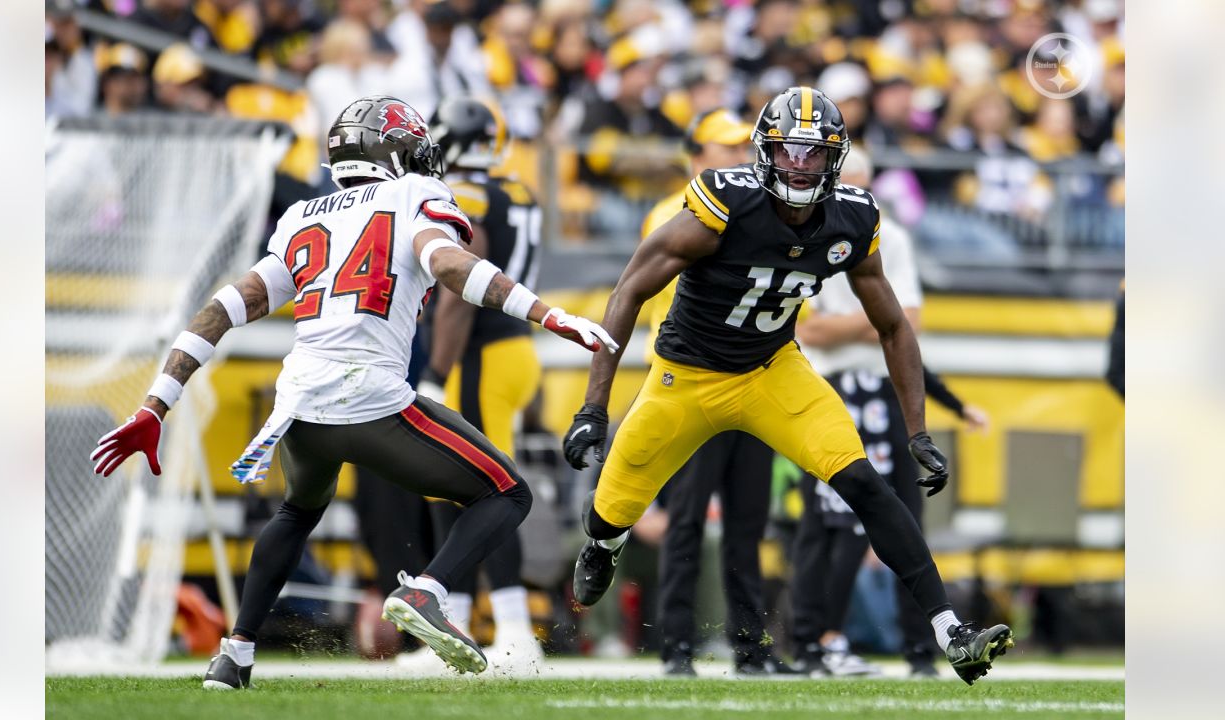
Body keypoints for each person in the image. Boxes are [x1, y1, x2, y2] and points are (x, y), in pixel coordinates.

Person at [89, 95, 617, 688]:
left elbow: (227, 306)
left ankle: (234, 654)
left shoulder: (304, 215)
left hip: (299, 407)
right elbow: (448, 264)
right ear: (389, 154)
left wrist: (155, 403)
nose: (424, 161)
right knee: (507, 494)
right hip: (370, 398)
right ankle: (428, 594)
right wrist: (548, 315)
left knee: (297, 510)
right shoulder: (413, 196)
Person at [560, 86, 1013, 685]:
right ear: (763, 152)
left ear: (836, 157)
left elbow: (894, 326)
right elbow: (629, 290)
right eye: (787, 152)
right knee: (613, 510)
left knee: (867, 485)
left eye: (813, 153)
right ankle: (606, 543)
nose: (799, 165)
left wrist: (919, 430)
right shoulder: (723, 202)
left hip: (774, 371)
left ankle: (950, 631)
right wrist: (594, 405)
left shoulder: (854, 216)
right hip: (685, 377)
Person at [788, 145, 991, 678]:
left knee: (896, 515)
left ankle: (922, 645)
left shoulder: (885, 236)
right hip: (822, 386)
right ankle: (815, 639)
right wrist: (876, 323)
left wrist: (859, 326)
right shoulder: (797, 229)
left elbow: (908, 327)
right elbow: (812, 330)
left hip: (880, 390)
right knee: (831, 522)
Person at [644, 108, 792, 677]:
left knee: (748, 524)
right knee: (686, 520)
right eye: (723, 147)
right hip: (696, 381)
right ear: (695, 155)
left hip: (753, 382)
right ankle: (676, 645)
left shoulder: (759, 208)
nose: (736, 156)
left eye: (740, 146)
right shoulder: (673, 211)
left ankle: (750, 646)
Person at [402, 96, 546, 672]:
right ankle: (452, 622)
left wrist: (436, 370)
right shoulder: (519, 189)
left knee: (488, 490)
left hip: (476, 353)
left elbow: (464, 286)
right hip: (508, 352)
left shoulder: (468, 196)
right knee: (452, 486)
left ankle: (514, 630)